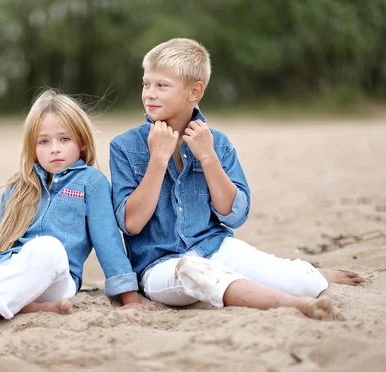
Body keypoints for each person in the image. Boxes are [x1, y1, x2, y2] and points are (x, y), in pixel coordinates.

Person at [109, 38, 364, 321]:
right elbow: (131, 223)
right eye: (146, 84)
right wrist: (157, 160)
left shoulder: (218, 143)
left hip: (216, 247)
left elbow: (235, 216)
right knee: (195, 271)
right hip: (161, 268)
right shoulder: (124, 147)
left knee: (305, 282)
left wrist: (208, 158)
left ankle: (310, 273)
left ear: (194, 91)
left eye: (162, 86)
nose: (149, 94)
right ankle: (295, 305)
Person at [0, 89, 153, 333]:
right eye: (44, 141)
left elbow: (108, 243)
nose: (54, 148)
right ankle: (24, 307)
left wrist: (130, 299)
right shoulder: (18, 186)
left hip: (54, 278)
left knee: (47, 246)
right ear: (32, 147)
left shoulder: (92, 182)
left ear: (82, 142)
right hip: (9, 273)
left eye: (64, 139)